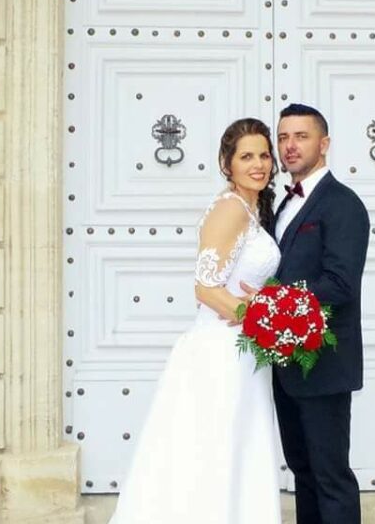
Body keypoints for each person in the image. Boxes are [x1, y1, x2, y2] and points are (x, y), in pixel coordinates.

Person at [108, 118, 282, 524]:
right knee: (211, 450)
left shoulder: (252, 209)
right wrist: (263, 320)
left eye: (263, 154)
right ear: (227, 163)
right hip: (220, 350)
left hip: (242, 353)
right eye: (246, 156)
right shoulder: (229, 209)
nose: (258, 164)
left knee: (235, 448)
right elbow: (205, 289)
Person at [266, 103, 370, 524]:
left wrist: (273, 304)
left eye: (301, 136)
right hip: (286, 364)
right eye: (284, 137)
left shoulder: (342, 204)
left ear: (324, 144)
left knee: (330, 477)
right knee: (303, 472)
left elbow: (340, 284)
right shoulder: (282, 203)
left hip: (324, 364)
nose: (290, 146)